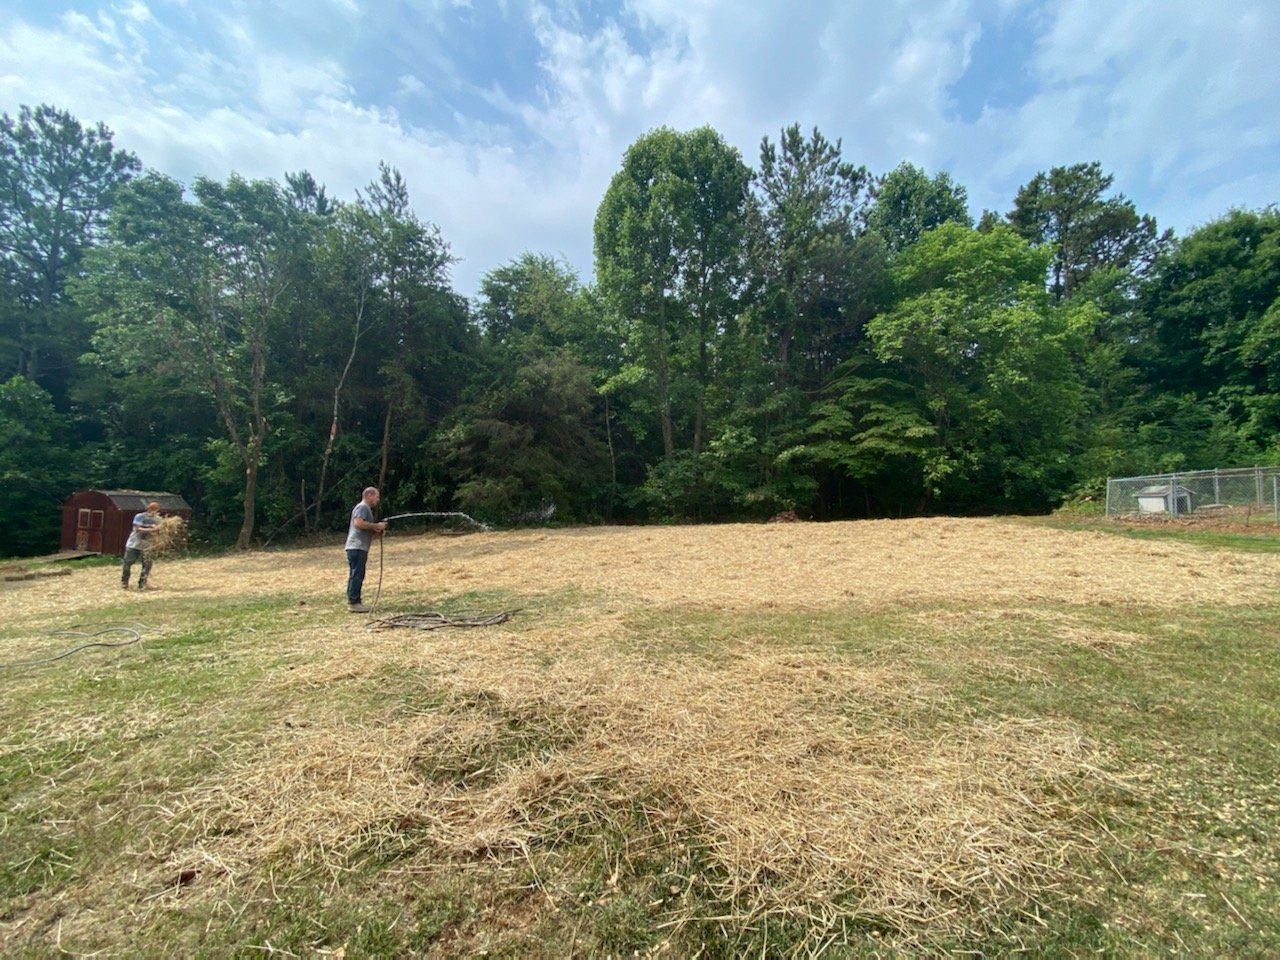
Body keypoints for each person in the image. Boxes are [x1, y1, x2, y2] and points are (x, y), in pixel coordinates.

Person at [345, 486, 387, 613]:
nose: (378, 500)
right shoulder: (362, 507)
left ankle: (354, 601)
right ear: (369, 495)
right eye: (377, 496)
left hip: (358, 547)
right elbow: (358, 523)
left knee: (357, 574)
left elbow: (363, 527)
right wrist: (376, 525)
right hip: (357, 546)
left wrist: (377, 530)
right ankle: (354, 603)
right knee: (357, 574)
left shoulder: (365, 508)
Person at [121, 501, 162, 591]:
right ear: (148, 508)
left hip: (148, 546)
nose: (153, 511)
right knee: (127, 564)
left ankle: (142, 585)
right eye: (152, 509)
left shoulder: (158, 519)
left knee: (147, 566)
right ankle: (124, 583)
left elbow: (160, 531)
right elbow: (138, 529)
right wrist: (153, 529)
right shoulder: (139, 516)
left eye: (155, 510)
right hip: (134, 544)